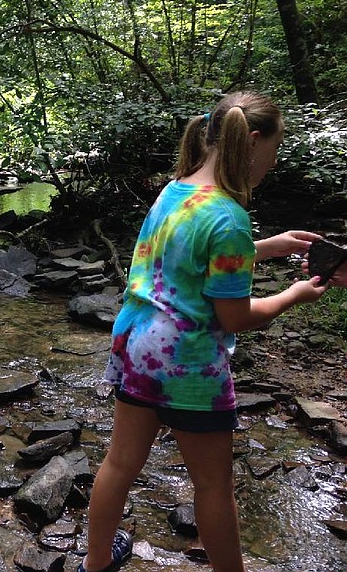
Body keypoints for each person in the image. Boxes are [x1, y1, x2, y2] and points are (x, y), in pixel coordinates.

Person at [80, 92, 328, 572]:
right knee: (213, 486)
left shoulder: (175, 189)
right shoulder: (229, 215)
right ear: (253, 142)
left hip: (137, 345)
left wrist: (265, 248)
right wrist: (293, 295)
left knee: (120, 464)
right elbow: (234, 317)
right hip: (186, 360)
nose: (272, 164)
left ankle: (95, 563)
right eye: (274, 152)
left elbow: (183, 260)